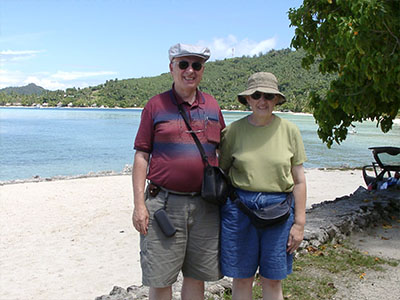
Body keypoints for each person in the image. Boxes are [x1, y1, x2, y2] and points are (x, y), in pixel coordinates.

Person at [132, 43, 225, 300]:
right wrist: (139, 205)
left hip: (205, 206)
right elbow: (141, 156)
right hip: (164, 203)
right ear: (171, 67)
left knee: (197, 277)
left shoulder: (213, 106)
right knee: (160, 279)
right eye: (183, 64)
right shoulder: (156, 106)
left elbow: (223, 153)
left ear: (202, 70)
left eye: (196, 65)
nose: (190, 70)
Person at [219, 72, 307, 300]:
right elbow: (223, 173)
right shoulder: (233, 132)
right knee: (242, 278)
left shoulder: (290, 131)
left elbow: (299, 180)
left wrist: (299, 223)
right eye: (256, 95)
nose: (262, 100)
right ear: (247, 99)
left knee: (273, 278)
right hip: (240, 210)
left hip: (279, 210)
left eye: (269, 95)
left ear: (276, 99)